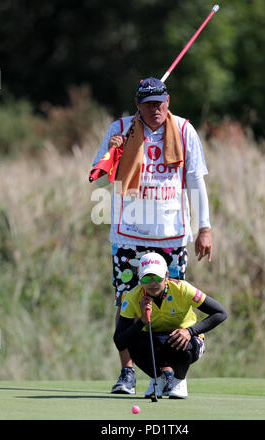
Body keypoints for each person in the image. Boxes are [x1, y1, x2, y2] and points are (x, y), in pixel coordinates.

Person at [91, 77, 212, 394]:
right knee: (126, 303)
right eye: (148, 103)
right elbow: (99, 178)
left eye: (159, 102)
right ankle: (127, 373)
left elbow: (196, 182)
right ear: (137, 104)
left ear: (168, 101)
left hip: (171, 235)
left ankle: (172, 372)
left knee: (172, 303)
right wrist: (114, 156)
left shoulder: (184, 131)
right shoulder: (121, 128)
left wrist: (205, 227)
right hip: (128, 234)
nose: (155, 109)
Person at [113, 252, 227, 398]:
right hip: (157, 343)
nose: (152, 283)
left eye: (158, 277)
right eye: (147, 278)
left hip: (189, 342)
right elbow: (120, 341)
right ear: (140, 279)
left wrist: (189, 331)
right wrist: (141, 320)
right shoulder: (131, 297)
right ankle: (159, 379)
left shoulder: (183, 289)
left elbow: (220, 313)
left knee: (181, 339)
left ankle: (179, 380)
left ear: (166, 276)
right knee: (134, 340)